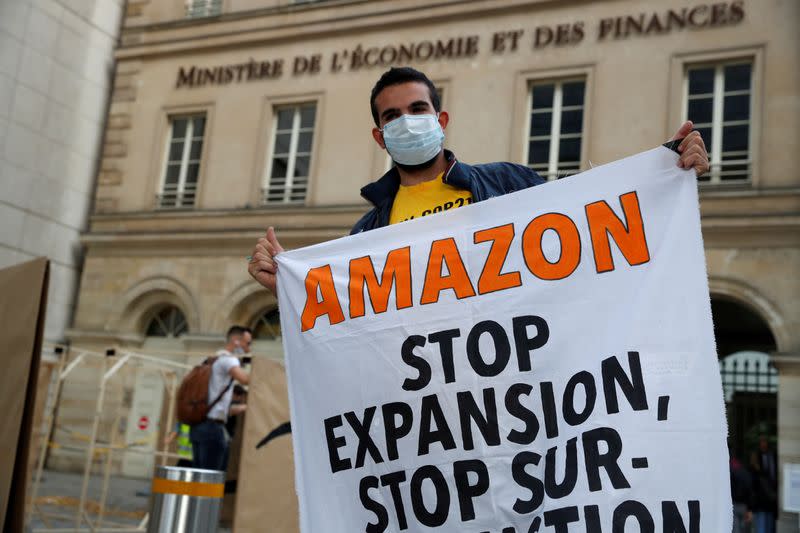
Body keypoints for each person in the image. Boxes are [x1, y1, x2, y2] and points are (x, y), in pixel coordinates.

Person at [247, 65, 709, 295]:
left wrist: (666, 169)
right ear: (379, 136)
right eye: (392, 116)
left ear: (440, 118)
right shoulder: (366, 234)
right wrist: (287, 287)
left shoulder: (509, 183)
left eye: (417, 109)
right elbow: (345, 327)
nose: (406, 121)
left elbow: (589, 222)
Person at [190, 325, 251, 471]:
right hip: (212, 428)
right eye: (247, 344)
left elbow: (217, 404)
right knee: (211, 479)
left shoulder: (209, 360)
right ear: (236, 341)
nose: (248, 349)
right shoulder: (229, 360)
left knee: (199, 475)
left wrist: (240, 408)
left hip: (198, 425)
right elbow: (246, 380)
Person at [750, 435, 778, 533]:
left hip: (771, 498)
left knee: (769, 525)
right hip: (760, 498)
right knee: (761, 526)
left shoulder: (773, 456)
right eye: (762, 442)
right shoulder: (756, 457)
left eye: (765, 441)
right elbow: (754, 479)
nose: (763, 444)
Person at [730, 452, 754, 533]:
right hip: (744, 506)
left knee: (735, 529)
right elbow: (750, 491)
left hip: (733, 505)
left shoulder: (729, 472)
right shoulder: (746, 473)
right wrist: (750, 509)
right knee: (744, 529)